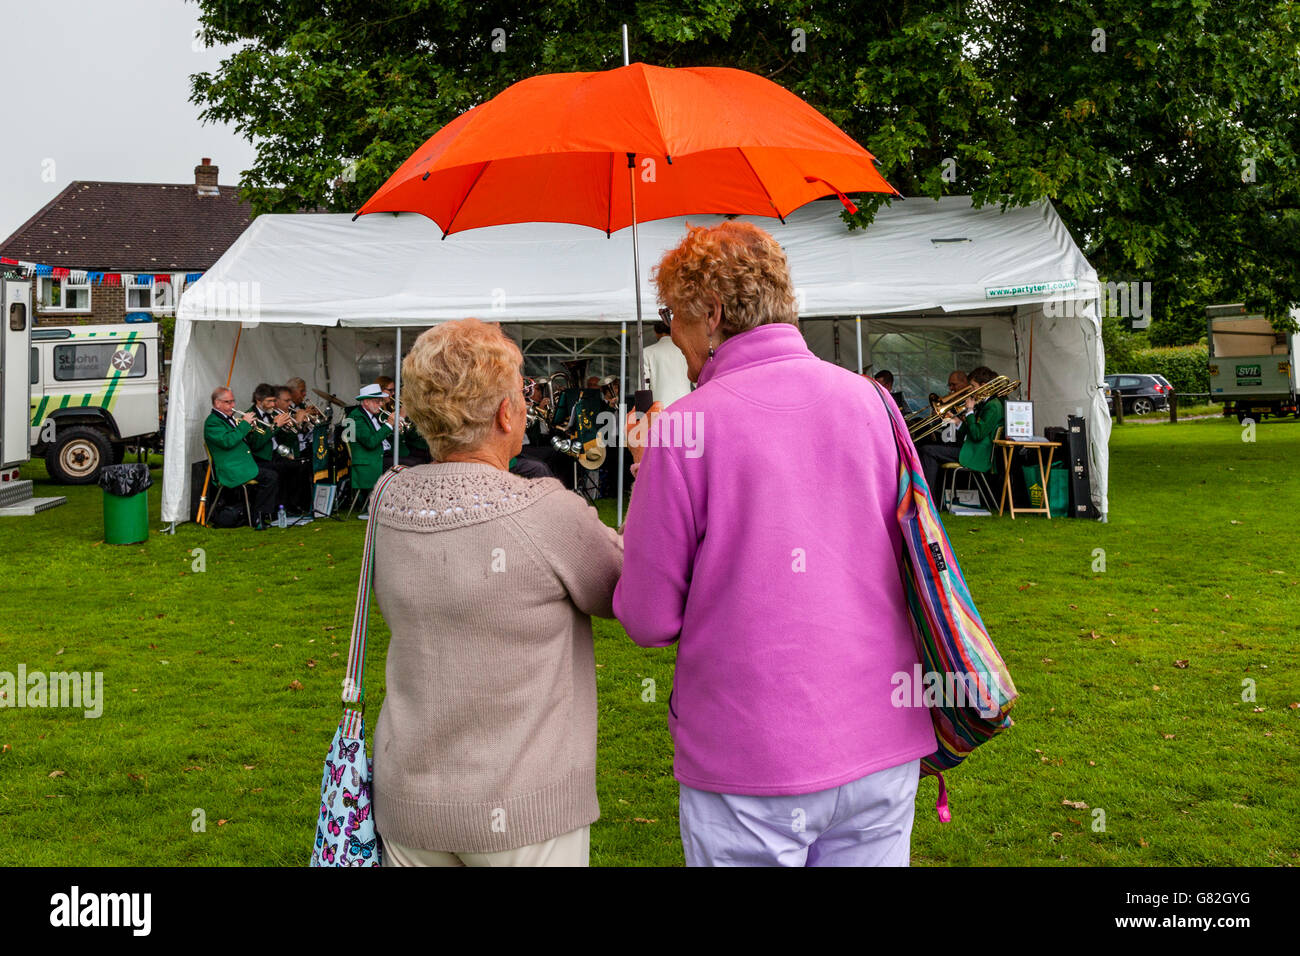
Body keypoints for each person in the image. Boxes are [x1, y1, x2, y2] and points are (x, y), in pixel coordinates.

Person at [615, 221, 937, 867]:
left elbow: (648, 619)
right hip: (882, 740)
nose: (672, 336)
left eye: (673, 316)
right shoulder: (873, 401)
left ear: (710, 314)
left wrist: (647, 482)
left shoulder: (683, 428)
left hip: (750, 758)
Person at [370, 317, 623, 867]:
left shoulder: (385, 500)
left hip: (410, 800)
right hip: (522, 810)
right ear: (507, 413)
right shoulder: (544, 510)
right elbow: (626, 591)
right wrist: (652, 473)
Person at [919, 365, 1005, 499]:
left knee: (928, 450)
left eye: (972, 386)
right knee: (929, 448)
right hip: (970, 448)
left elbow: (977, 434)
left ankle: (929, 500)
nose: (970, 390)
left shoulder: (993, 406)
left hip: (977, 453)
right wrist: (957, 422)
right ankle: (930, 499)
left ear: (983, 385)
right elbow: (970, 431)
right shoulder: (984, 403)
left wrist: (970, 412)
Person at [203, 386, 278, 530]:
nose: (233, 405)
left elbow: (241, 439)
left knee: (276, 468)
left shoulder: (227, 418)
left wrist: (250, 428)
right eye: (228, 402)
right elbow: (227, 441)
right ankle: (259, 517)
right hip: (231, 468)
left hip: (242, 463)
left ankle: (270, 513)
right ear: (217, 403)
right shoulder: (212, 422)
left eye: (233, 401)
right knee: (270, 477)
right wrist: (244, 424)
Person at [346, 384, 396, 519]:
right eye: (376, 401)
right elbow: (370, 442)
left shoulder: (374, 414)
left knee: (411, 461)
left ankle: (395, 505)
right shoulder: (356, 417)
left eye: (380, 401)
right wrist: (389, 425)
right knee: (406, 465)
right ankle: (392, 506)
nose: (380, 404)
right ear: (366, 402)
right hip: (369, 460)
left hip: (379, 455)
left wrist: (394, 428)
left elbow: (381, 437)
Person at [641, 320, 692, 407]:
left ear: (656, 332)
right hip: (685, 403)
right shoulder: (686, 350)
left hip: (659, 406)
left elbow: (643, 385)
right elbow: (697, 379)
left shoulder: (647, 352)